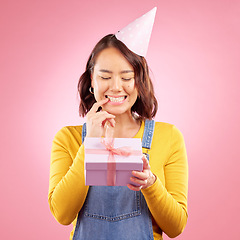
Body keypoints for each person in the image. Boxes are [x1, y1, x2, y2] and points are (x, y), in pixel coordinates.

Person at [48, 8, 188, 240]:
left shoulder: (169, 137)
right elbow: (62, 214)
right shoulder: (67, 139)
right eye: (104, 77)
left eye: (126, 77)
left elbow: (176, 227)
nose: (115, 87)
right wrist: (90, 144)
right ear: (91, 81)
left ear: (139, 82)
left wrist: (151, 184)